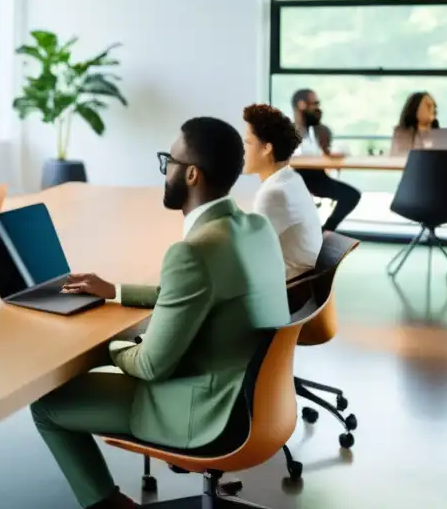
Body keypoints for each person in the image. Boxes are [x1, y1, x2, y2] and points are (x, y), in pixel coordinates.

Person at [30, 117, 290, 509]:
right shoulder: (253, 227)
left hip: (206, 414)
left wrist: (103, 347)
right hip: (257, 403)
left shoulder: (193, 252)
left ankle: (108, 505)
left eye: (168, 160)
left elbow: (152, 365)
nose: (164, 169)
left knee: (47, 405)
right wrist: (114, 291)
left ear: (190, 175)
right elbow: (198, 292)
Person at [243, 104, 323, 281]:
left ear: (266, 148)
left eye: (248, 142)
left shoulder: (273, 194)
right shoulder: (291, 179)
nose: (243, 150)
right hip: (303, 279)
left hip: (288, 288)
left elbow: (249, 254)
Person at [290, 88, 361, 232]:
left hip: (318, 179)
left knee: (351, 195)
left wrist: (332, 155)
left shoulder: (320, 131)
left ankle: (326, 230)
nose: (318, 108)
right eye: (314, 104)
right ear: (301, 105)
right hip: (294, 179)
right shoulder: (287, 131)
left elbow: (325, 153)